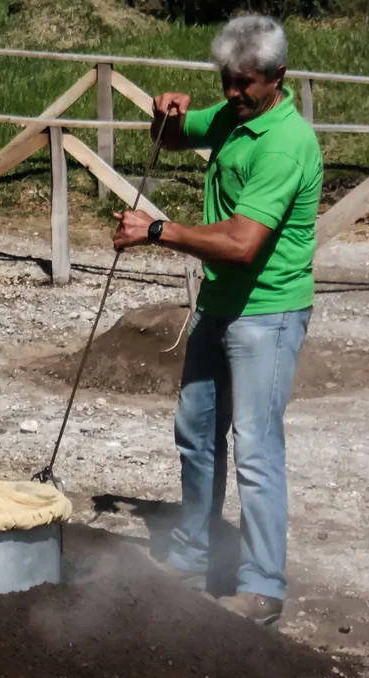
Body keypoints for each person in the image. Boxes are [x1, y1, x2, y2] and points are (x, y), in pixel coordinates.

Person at [110, 14, 323, 629]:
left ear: (278, 77)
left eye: (245, 83)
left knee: (256, 449)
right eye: (225, 80)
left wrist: (156, 230)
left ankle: (261, 586)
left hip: (269, 312)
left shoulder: (285, 142)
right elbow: (174, 138)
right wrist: (166, 115)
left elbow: (241, 244)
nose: (231, 93)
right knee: (196, 433)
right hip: (219, 306)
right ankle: (191, 557)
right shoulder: (235, 115)